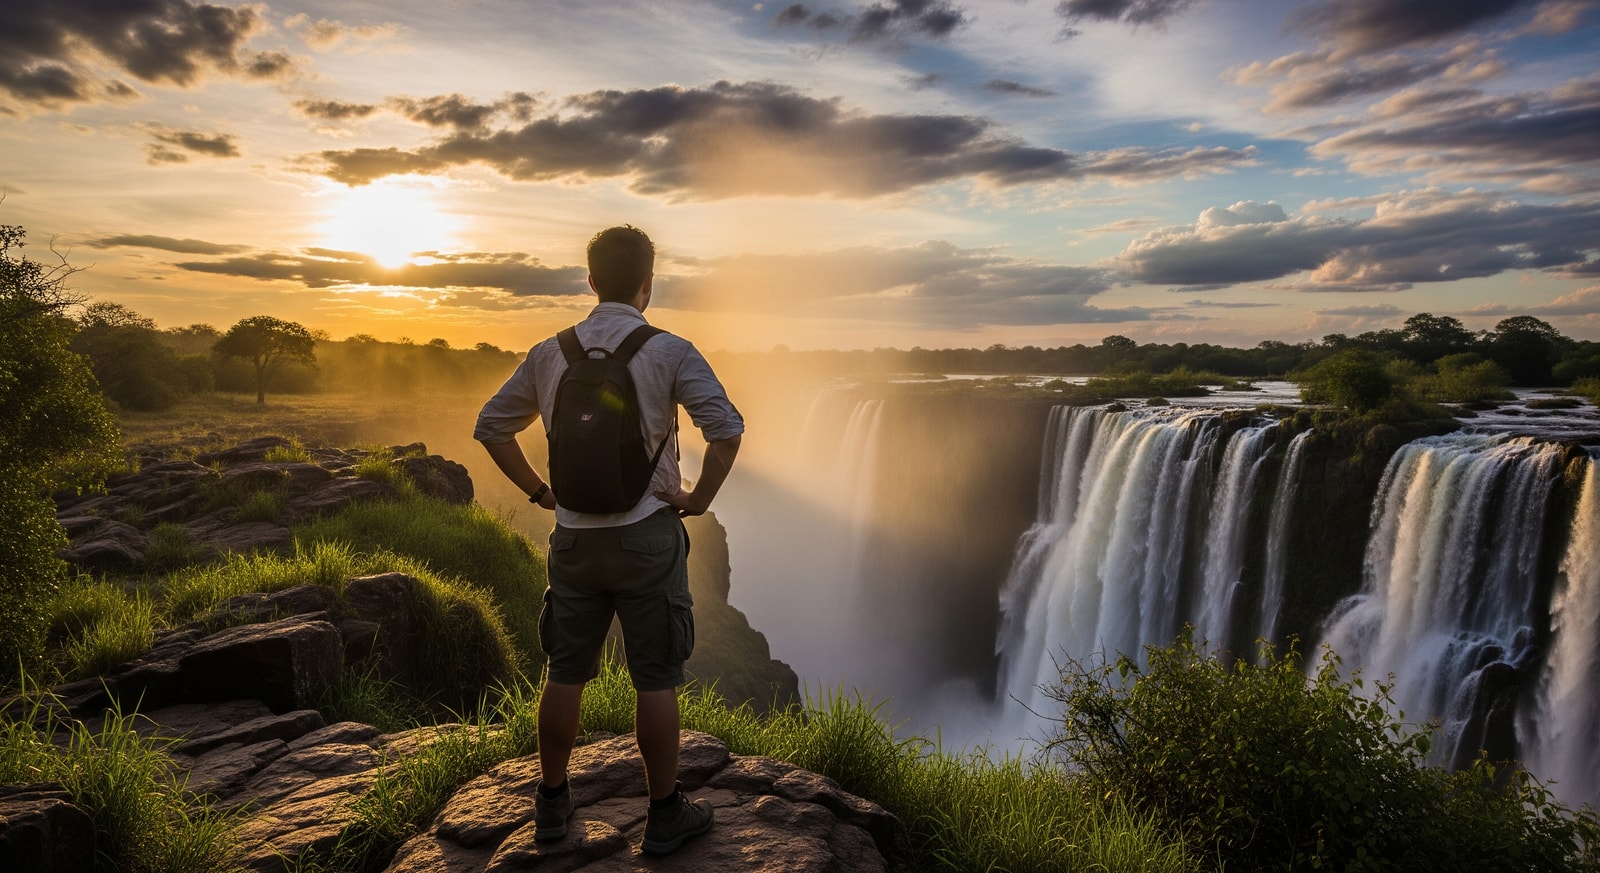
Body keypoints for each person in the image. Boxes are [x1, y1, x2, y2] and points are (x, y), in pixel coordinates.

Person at [474, 225, 743, 856]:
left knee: (564, 671)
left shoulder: (551, 353)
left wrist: (543, 493)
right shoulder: (670, 351)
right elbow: (725, 430)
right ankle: (664, 813)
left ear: (591, 280)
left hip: (572, 541)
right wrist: (699, 499)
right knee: (655, 678)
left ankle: (550, 803)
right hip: (648, 538)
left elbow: (491, 427)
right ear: (650, 281)